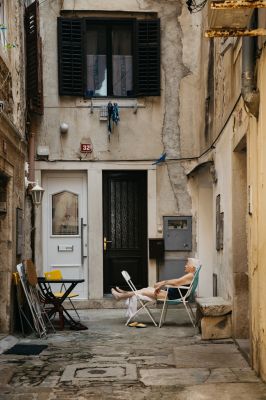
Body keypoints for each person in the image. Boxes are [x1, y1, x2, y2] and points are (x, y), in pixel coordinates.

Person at [111, 258, 200, 301]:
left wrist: (162, 284)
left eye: (187, 264)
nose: (185, 265)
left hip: (171, 296)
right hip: (171, 294)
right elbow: (177, 282)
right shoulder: (191, 275)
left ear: (192, 267)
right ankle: (124, 293)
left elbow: (176, 282)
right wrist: (163, 284)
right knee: (144, 289)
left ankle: (120, 296)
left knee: (142, 292)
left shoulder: (190, 275)